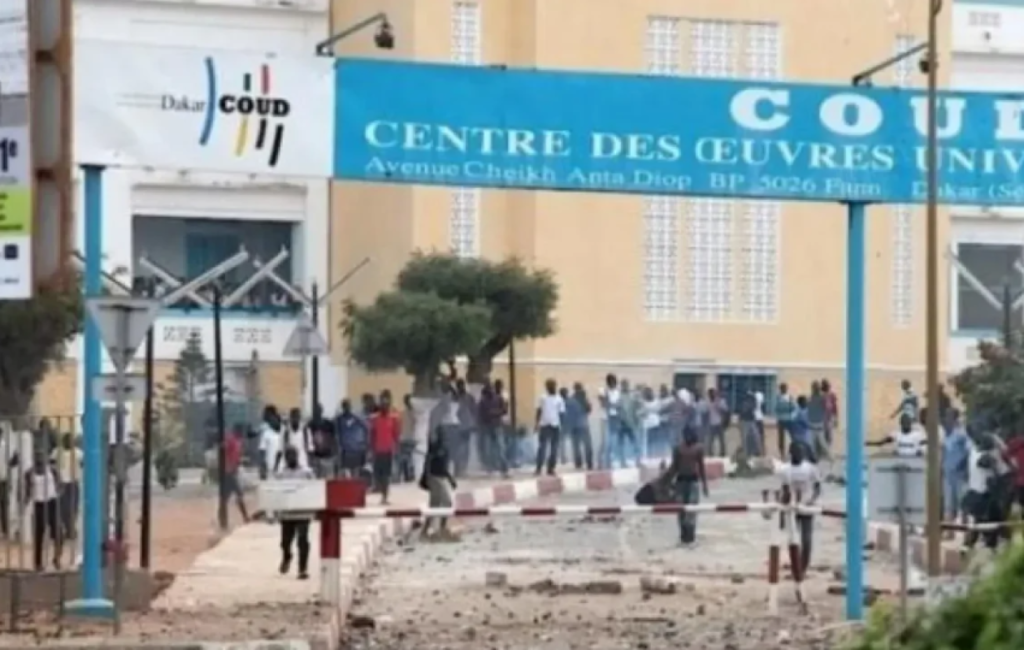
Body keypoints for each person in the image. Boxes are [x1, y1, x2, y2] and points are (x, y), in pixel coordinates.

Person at [659, 426, 709, 547]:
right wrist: (665, 481)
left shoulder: (698, 448)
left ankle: (690, 537)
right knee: (680, 510)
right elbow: (674, 467)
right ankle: (683, 536)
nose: (688, 437)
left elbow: (701, 467)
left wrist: (704, 485)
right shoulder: (678, 449)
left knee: (691, 510)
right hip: (681, 482)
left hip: (693, 482)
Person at [778, 442, 822, 577]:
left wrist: (812, 500)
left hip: (807, 507)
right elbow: (785, 491)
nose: (799, 455)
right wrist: (782, 514)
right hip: (792, 508)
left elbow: (818, 487)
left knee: (806, 539)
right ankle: (796, 569)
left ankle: (803, 568)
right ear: (791, 454)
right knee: (793, 540)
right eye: (797, 452)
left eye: (801, 452)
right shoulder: (785, 470)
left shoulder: (811, 469)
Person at [275, 447, 314, 579]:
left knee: (302, 540)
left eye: (293, 455)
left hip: (303, 511)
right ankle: (287, 556)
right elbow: (275, 491)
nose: (291, 458)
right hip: (287, 513)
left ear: (297, 456)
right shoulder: (281, 474)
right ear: (286, 458)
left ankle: (303, 568)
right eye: (288, 456)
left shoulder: (306, 472)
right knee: (285, 541)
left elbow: (314, 488)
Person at [421, 426, 458, 541]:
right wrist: (425, 477)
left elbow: (444, 467)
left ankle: (428, 530)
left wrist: (450, 479)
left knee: (435, 505)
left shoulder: (445, 448)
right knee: (446, 503)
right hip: (435, 477)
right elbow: (428, 463)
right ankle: (440, 528)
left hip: (441, 477)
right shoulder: (434, 447)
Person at [26, 455, 61, 571]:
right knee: (39, 535)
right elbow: (27, 490)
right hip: (39, 505)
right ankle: (38, 563)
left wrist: (57, 494)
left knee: (58, 533)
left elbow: (60, 484)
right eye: (37, 457)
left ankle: (56, 558)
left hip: (52, 503)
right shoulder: (29, 473)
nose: (40, 459)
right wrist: (26, 502)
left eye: (41, 457)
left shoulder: (52, 470)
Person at [942, 410, 971, 535]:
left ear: (955, 419)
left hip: (959, 474)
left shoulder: (961, 434)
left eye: (949, 417)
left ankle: (965, 530)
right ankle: (950, 531)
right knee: (948, 504)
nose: (946, 419)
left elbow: (968, 451)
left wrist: (963, 465)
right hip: (948, 474)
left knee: (962, 502)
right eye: (946, 417)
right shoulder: (946, 434)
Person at [370, 391, 401, 505]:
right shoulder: (374, 418)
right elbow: (372, 435)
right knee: (377, 474)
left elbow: (396, 435)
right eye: (383, 404)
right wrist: (370, 449)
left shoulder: (394, 418)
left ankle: (385, 496)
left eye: (387, 404)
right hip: (377, 450)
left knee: (386, 475)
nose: (385, 406)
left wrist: (397, 448)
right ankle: (379, 489)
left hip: (388, 451)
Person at [52, 433, 81, 539]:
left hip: (72, 483)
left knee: (72, 508)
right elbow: (52, 464)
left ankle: (69, 529)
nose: (69, 442)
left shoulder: (77, 452)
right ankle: (68, 529)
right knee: (65, 508)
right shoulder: (57, 452)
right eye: (67, 440)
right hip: (63, 483)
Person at [535, 378, 564, 476]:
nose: (551, 387)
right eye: (550, 386)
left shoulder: (557, 399)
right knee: (546, 447)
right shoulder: (544, 398)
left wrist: (536, 423)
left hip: (552, 425)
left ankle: (546, 468)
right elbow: (539, 411)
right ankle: (544, 468)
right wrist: (537, 423)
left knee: (550, 448)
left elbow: (561, 413)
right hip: (548, 425)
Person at [478, 383, 508, 476]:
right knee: (489, 449)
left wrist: (494, 413)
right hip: (487, 427)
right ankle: (490, 468)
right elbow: (480, 414)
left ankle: (504, 469)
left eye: (491, 390)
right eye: (488, 391)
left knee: (500, 448)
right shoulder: (483, 401)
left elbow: (504, 410)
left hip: (497, 426)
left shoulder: (499, 398)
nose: (490, 392)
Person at [335, 399, 369, 479]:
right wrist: (339, 445)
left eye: (348, 406)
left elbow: (366, 429)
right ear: (343, 407)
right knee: (346, 472)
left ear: (351, 407)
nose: (347, 408)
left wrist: (364, 443)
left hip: (356, 449)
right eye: (345, 406)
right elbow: (337, 433)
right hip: (345, 450)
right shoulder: (339, 419)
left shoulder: (357, 419)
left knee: (356, 471)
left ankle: (355, 484)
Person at [223, 426, 250, 523]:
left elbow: (235, 456)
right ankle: (245, 517)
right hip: (229, 472)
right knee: (238, 494)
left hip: (233, 471)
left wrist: (240, 462)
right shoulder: (231, 439)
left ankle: (222, 518)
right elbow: (225, 452)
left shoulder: (238, 441)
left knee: (227, 497)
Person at [570, 382, 594, 470]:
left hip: (574, 425)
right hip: (584, 424)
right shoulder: (584, 398)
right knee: (587, 445)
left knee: (576, 446)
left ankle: (578, 463)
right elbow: (589, 410)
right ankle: (589, 463)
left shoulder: (571, 399)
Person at [397, 394, 418, 483]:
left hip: (406, 438)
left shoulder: (404, 412)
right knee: (407, 457)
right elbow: (414, 423)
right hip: (407, 438)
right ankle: (408, 475)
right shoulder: (411, 412)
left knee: (405, 457)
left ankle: (406, 475)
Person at [258, 406, 282, 480]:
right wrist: (262, 467)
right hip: (270, 469)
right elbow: (262, 451)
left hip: (282, 470)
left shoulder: (284, 432)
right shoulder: (266, 432)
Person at [705, 388, 729, 458]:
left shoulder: (720, 401)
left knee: (721, 439)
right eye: (709, 394)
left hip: (719, 423)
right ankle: (710, 453)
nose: (710, 395)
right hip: (711, 423)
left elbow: (726, 410)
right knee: (710, 440)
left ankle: (722, 453)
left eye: (712, 394)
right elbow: (707, 412)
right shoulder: (708, 402)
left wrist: (719, 408)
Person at [774, 383, 795, 459]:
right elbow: (776, 408)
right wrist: (786, 406)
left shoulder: (790, 397)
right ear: (780, 389)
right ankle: (782, 453)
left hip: (789, 419)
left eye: (785, 388)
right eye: (783, 388)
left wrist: (785, 406)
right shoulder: (778, 397)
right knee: (781, 438)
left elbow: (793, 407)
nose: (784, 390)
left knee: (793, 437)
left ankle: (791, 452)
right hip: (781, 420)